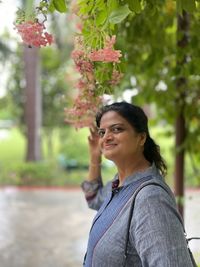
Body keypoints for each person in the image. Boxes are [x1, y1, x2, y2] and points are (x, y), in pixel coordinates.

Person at [81, 101, 194, 267]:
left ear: (141, 137)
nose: (106, 137)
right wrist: (94, 156)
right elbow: (92, 198)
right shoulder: (119, 185)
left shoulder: (150, 199)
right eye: (102, 132)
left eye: (117, 129)